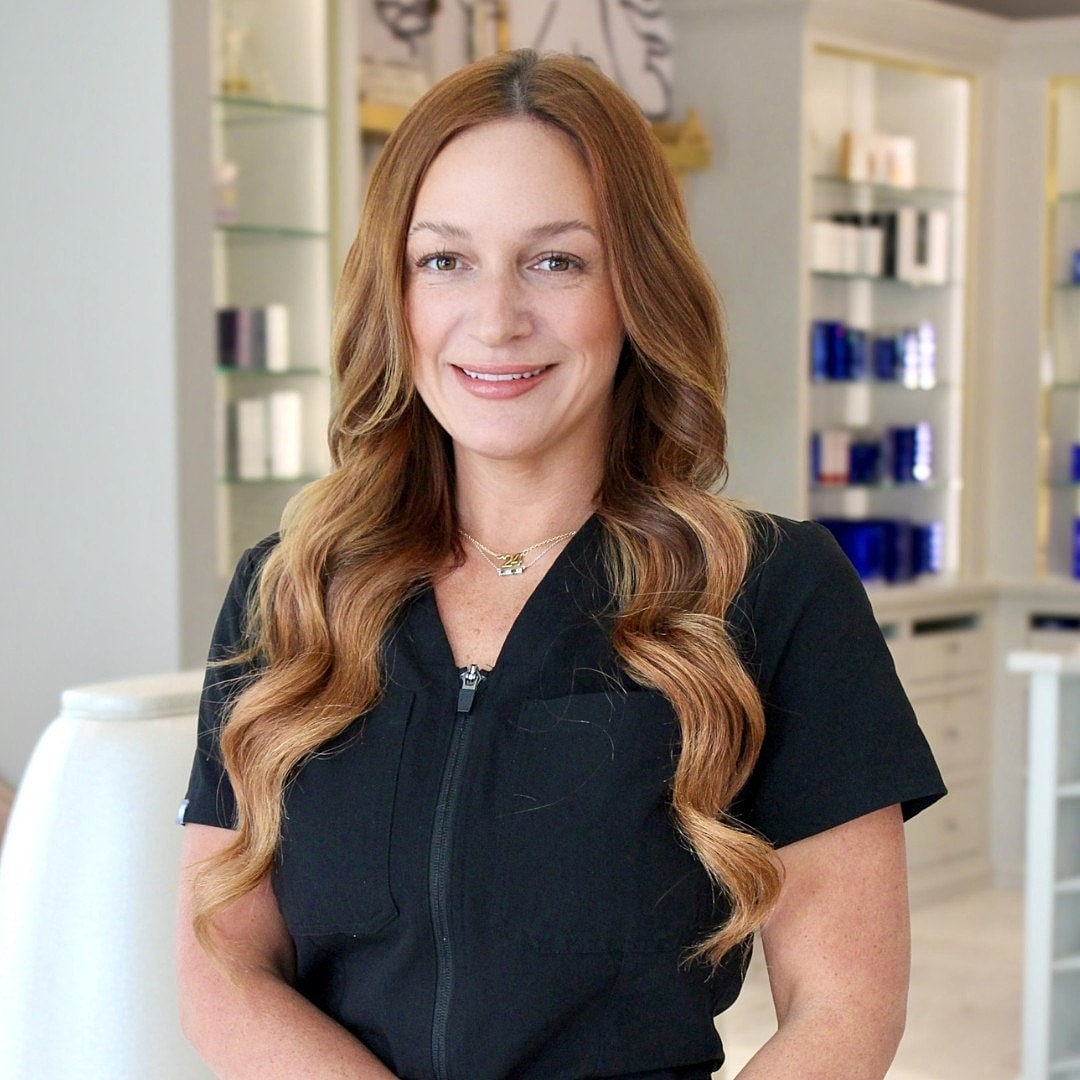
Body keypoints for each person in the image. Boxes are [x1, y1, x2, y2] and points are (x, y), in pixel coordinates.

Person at [176, 48, 945, 1080]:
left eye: (557, 260)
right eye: (445, 260)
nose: (495, 318)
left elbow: (845, 1010)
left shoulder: (772, 592)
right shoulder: (290, 593)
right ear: (393, 292)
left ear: (636, 288)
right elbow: (221, 957)